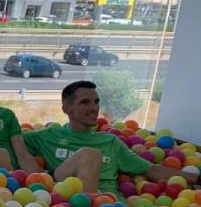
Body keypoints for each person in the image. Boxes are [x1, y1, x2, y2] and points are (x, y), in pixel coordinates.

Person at [22, 81, 199, 194]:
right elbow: (10, 140)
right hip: (69, 205)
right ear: (66, 109)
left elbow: (152, 170)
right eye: (85, 102)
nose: (94, 108)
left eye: (96, 102)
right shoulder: (49, 135)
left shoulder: (110, 141)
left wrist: (198, 179)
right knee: (89, 154)